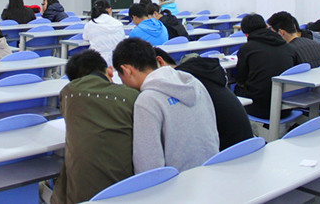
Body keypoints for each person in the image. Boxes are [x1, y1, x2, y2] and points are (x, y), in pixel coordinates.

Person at [113, 38, 219, 173]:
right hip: (210, 172)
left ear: (126, 70)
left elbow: (148, 166)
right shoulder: (193, 82)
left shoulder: (147, 100)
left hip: (178, 182)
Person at [51, 50, 139, 204]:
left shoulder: (68, 94)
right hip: (126, 192)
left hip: (80, 196)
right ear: (109, 72)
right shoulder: (131, 96)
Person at [155, 48, 253, 151]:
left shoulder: (184, 84)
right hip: (246, 144)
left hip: (227, 152)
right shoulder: (199, 75)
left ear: (160, 62)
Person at [234, 13, 295, 119]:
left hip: (259, 108)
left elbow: (241, 79)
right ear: (267, 26)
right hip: (287, 106)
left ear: (246, 35)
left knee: (235, 88)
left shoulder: (247, 48)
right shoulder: (287, 46)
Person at [82, 0, 125, 66]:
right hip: (116, 60)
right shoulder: (118, 23)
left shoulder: (90, 24)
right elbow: (122, 39)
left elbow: (85, 38)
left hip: (96, 60)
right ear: (109, 10)